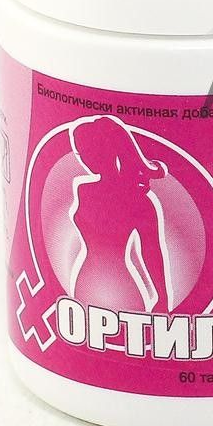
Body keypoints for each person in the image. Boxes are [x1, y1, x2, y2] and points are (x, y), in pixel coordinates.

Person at [67, 115, 171, 312]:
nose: (86, 159)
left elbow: (151, 251)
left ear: (110, 150)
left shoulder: (139, 200)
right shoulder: (84, 190)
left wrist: (162, 298)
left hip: (122, 286)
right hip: (86, 280)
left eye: (90, 150)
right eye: (81, 153)